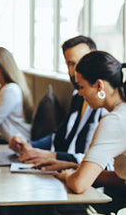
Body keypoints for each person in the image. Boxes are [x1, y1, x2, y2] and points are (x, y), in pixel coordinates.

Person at [36, 51, 126, 213]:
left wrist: (67, 176)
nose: (79, 93)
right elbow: (122, 179)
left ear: (99, 85)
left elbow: (79, 185)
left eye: (81, 86)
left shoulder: (115, 120)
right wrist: (74, 167)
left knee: (56, 207)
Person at [8, 36, 110, 167]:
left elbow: (100, 163)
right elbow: (59, 137)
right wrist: (27, 146)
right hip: (64, 171)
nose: (75, 72)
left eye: (81, 63)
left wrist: (50, 155)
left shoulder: (107, 106)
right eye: (71, 64)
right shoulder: (78, 96)